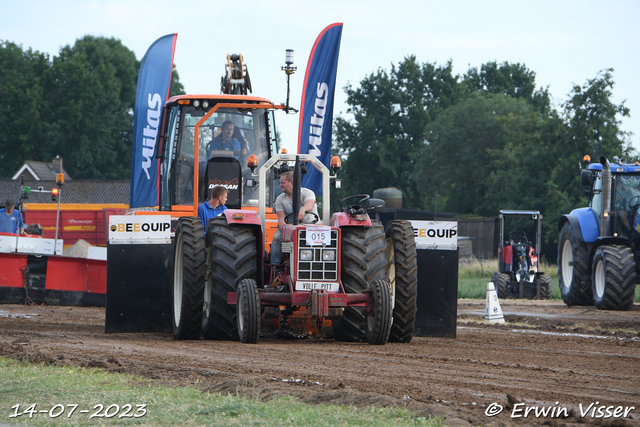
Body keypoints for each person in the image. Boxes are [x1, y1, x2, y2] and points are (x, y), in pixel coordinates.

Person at [270, 171, 319, 267]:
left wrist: (303, 209)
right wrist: (285, 231)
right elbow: (281, 218)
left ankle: (317, 264)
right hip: (290, 227)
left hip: (311, 226)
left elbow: (309, 204)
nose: (280, 185)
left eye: (282, 183)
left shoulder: (307, 193)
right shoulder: (280, 199)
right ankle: (275, 267)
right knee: (276, 238)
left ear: (291, 183)